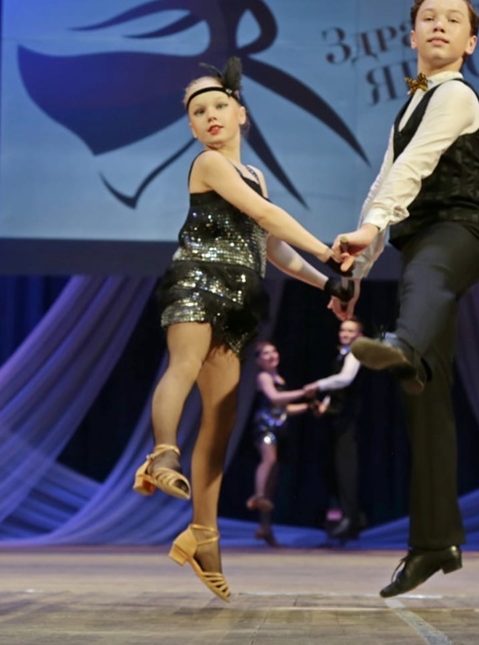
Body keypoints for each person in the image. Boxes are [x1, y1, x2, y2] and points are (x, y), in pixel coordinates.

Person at [131, 58, 353, 602]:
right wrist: (328, 252)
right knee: (184, 364)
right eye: (198, 111)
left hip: (238, 298)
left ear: (241, 114)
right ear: (192, 128)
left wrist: (325, 282)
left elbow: (272, 247)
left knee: (223, 417)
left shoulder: (256, 175)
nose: (210, 116)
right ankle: (162, 454)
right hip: (197, 279)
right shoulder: (209, 164)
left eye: (219, 105)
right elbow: (267, 217)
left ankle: (203, 536)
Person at [331, 0, 479, 597]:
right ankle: (434, 543)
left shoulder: (455, 95)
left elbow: (413, 168)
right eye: (428, 17)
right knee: (426, 400)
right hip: (420, 239)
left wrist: (372, 231)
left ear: (470, 42)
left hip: (457, 234)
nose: (439, 25)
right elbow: (385, 182)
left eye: (453, 19)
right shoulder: (413, 101)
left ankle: (402, 344)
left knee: (424, 283)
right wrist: (356, 269)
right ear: (412, 35)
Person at [300, 316, 367, 542]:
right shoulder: (342, 354)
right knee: (336, 466)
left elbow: (345, 380)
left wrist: (317, 385)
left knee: (347, 467)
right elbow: (338, 388)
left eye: (350, 331)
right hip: (337, 417)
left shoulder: (356, 353)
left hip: (349, 418)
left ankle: (351, 518)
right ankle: (346, 516)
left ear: (359, 336)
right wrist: (325, 405)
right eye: (343, 330)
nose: (345, 334)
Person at [248, 340, 316, 546]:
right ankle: (258, 495)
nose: (271, 356)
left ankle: (265, 526)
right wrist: (303, 392)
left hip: (279, 428)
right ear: (259, 361)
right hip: (265, 426)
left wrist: (308, 406)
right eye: (265, 353)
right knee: (269, 460)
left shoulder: (279, 378)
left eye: (273, 351)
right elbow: (275, 398)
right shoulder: (264, 377)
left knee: (274, 474)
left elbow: (285, 409)